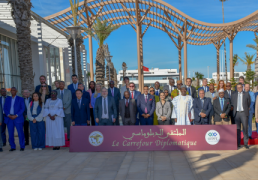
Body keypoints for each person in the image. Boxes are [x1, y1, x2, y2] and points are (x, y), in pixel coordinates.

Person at [4, 87, 25, 151]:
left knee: (20, 133)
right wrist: (8, 115)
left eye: (14, 90)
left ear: (16, 91)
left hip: (18, 118)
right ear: (10, 91)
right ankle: (12, 146)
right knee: (10, 133)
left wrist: (16, 115)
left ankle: (22, 146)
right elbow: (5, 108)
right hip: (9, 118)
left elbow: (22, 108)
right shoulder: (7, 99)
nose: (12, 91)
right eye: (11, 90)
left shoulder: (20, 99)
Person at [231, 83, 251, 149]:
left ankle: (245, 143)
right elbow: (232, 103)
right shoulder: (233, 94)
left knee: (245, 128)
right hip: (236, 113)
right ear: (236, 88)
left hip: (244, 113)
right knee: (237, 129)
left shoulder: (246, 94)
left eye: (240, 87)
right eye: (238, 87)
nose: (239, 88)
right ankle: (238, 143)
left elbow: (249, 103)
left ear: (242, 87)